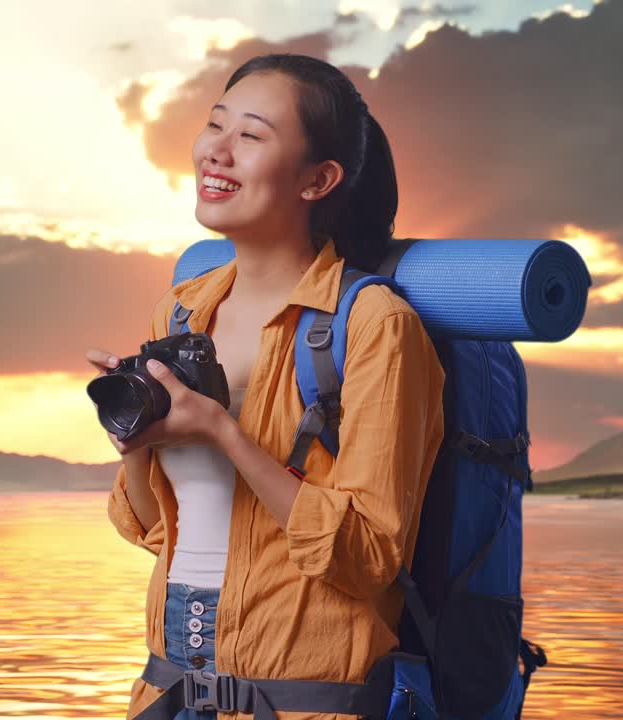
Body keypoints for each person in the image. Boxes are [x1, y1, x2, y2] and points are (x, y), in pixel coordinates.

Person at [87, 52, 445, 720]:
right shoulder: (183, 312)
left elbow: (368, 557)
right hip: (168, 695)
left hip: (308, 701)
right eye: (214, 126)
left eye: (250, 136)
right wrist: (135, 438)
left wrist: (224, 434)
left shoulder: (373, 325)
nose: (215, 153)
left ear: (318, 179)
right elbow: (150, 530)